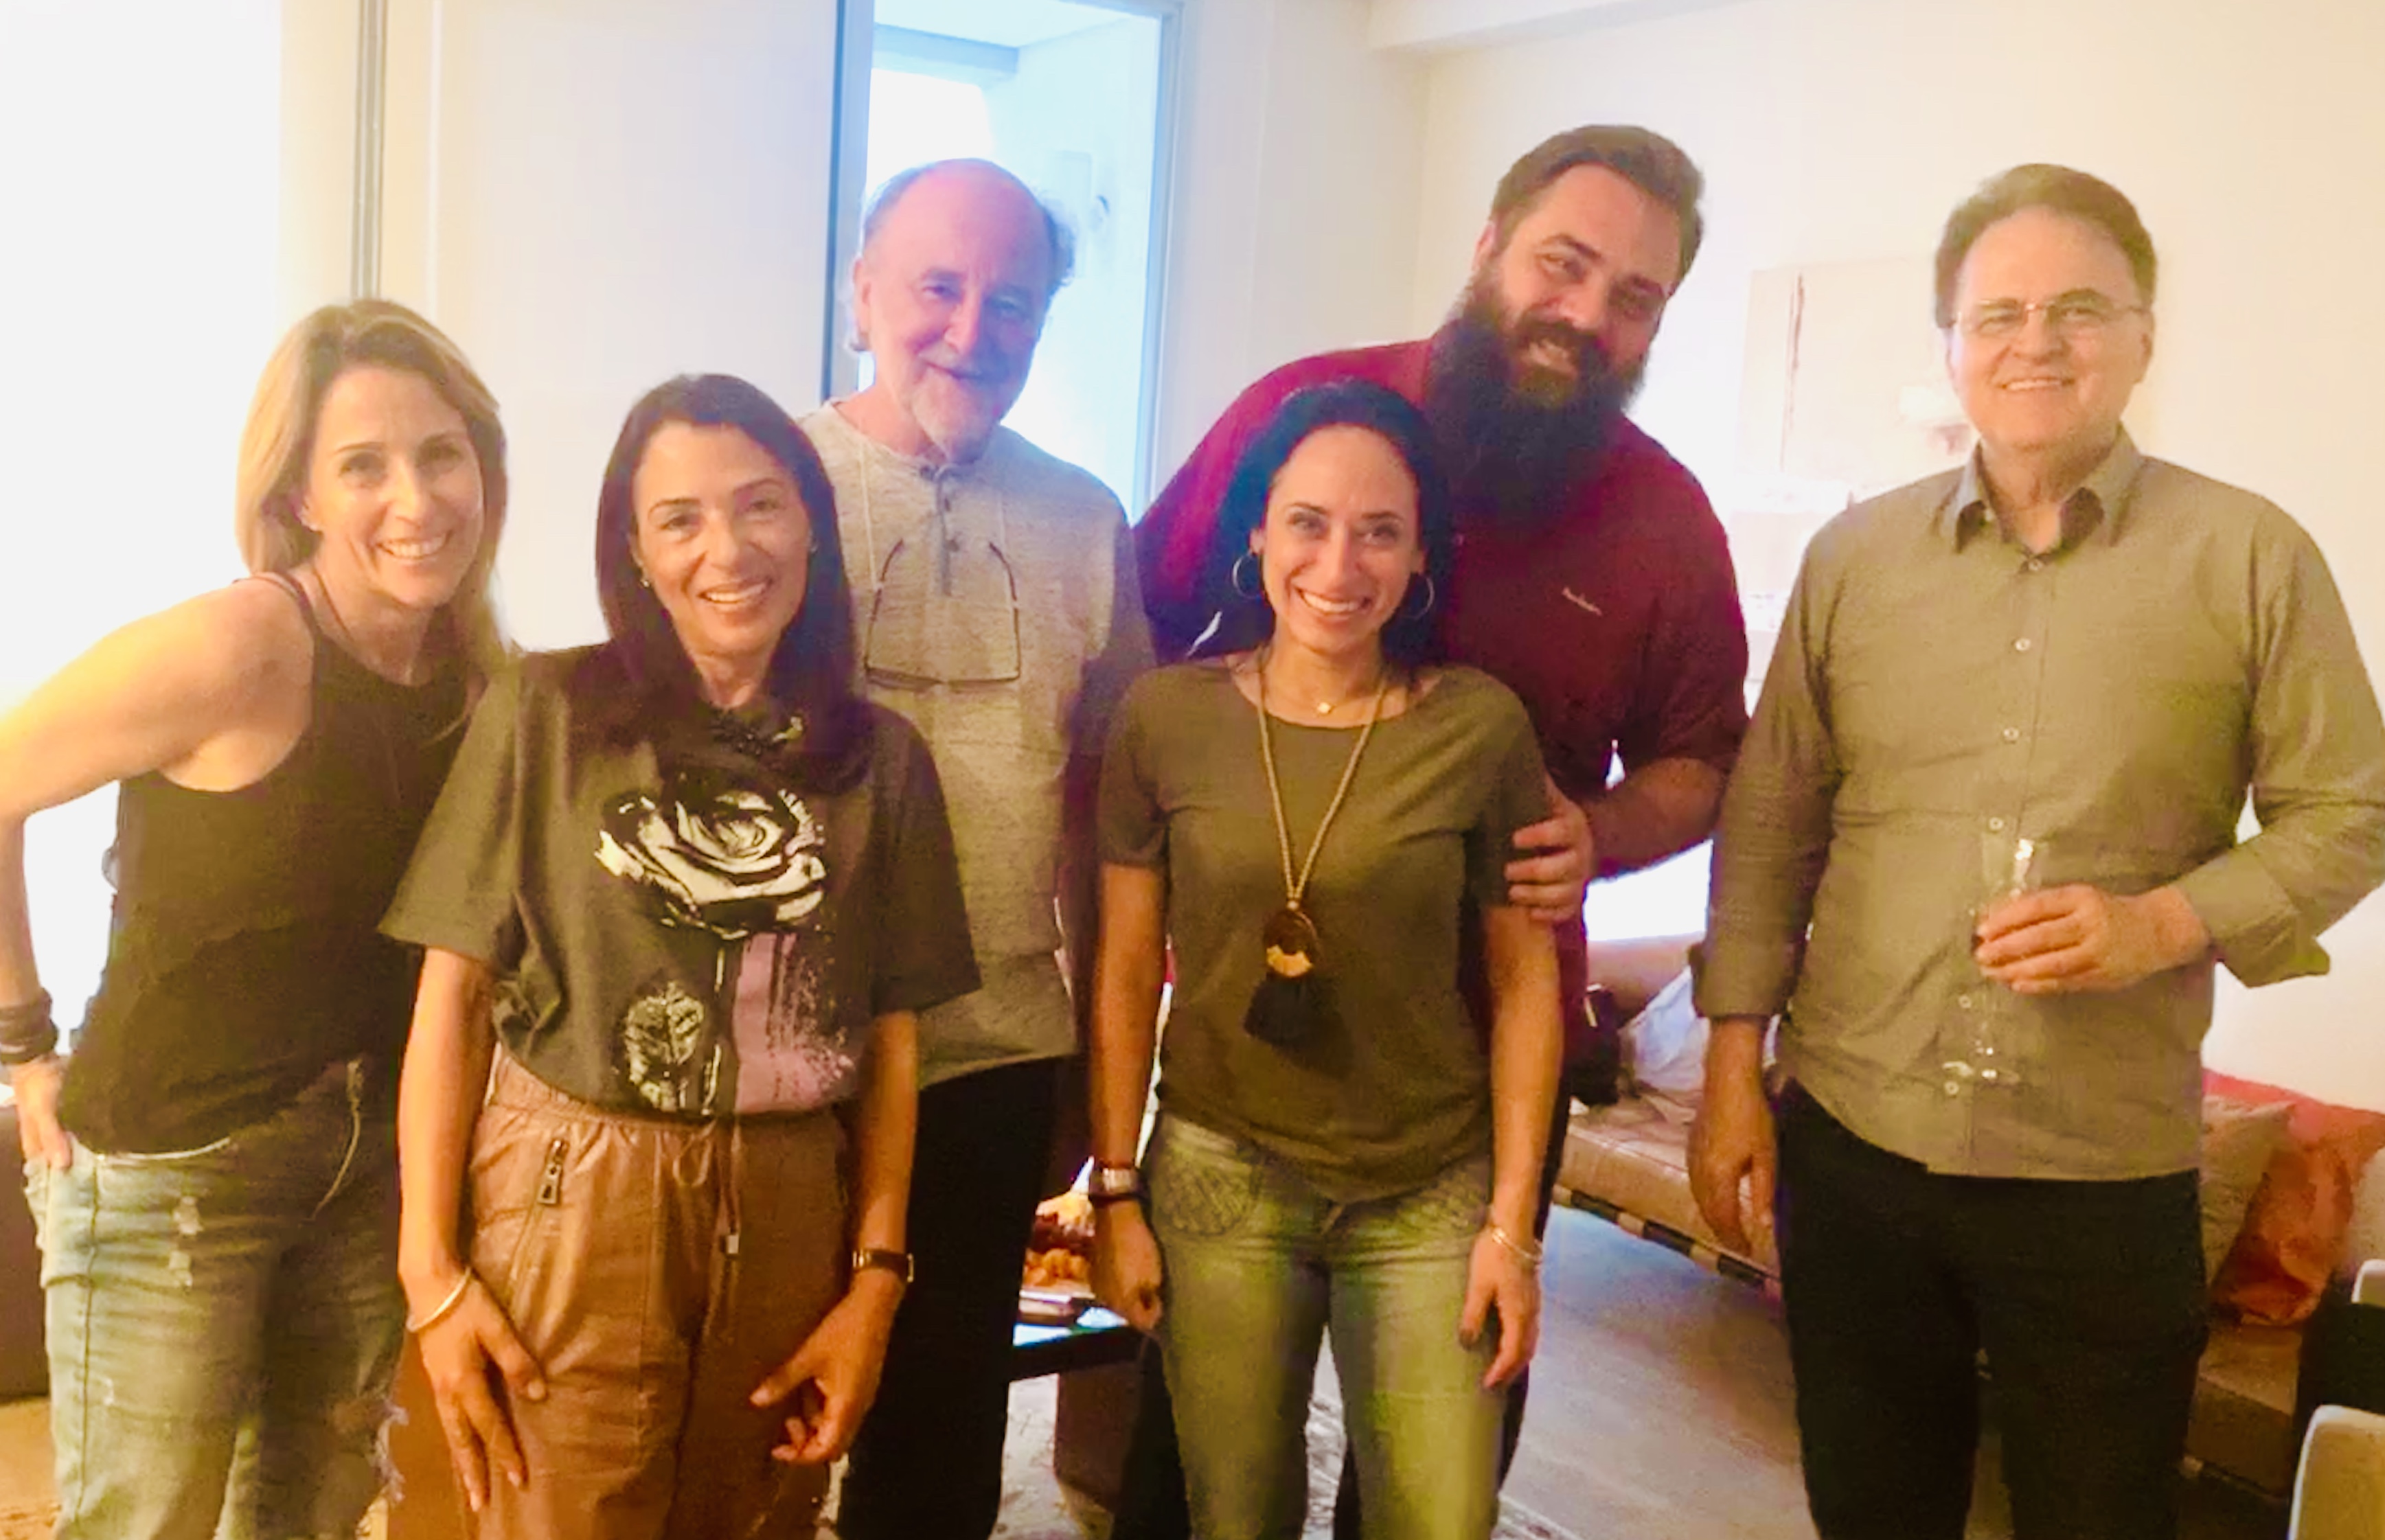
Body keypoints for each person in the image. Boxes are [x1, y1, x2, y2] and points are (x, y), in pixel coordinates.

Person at [1690, 164, 2385, 1540]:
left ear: (2141, 337)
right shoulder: (1853, 561)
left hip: (2100, 1173)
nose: (2037, 343)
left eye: (2079, 309)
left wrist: (2163, 923)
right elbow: (1771, 825)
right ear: (1950, 345)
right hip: (1854, 1143)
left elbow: (2351, 810)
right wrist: (1728, 1072)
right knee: (1870, 1513)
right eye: (1997, 314)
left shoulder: (2250, 557)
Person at [1125, 124, 1747, 1535]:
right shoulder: (1296, 414)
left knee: (1431, 1478)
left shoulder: (1663, 521)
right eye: (1561, 264)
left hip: (1480, 1082)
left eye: (1633, 297)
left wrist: (1598, 832)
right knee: (1198, 1476)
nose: (1583, 315)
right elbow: (1138, 634)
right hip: (1240, 1070)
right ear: (1486, 248)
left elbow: (1706, 757)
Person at [385, 374, 977, 1538]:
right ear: (637, 552)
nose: (728, 550)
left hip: (793, 1205)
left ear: (811, 523)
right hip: (570, 1197)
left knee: (758, 1515)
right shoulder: (546, 712)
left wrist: (875, 1281)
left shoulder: (883, 761)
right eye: (680, 519)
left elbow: (893, 1040)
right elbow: (450, 999)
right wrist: (431, 1276)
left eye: (760, 506)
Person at [0, 298, 507, 1539]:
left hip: (368, 1172)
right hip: (175, 1169)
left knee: (311, 1518)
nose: (416, 499)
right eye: (363, 465)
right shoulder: (236, 645)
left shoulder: (478, 680)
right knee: (147, 1524)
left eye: (441, 454)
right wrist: (23, 1044)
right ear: (300, 496)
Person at [1090, 380, 1561, 1540]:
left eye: (1379, 532)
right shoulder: (1163, 717)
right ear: (1257, 530)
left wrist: (1511, 1229)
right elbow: (1122, 970)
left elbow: (1523, 985)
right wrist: (1114, 1190)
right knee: (1235, 1517)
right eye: (1307, 523)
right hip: (1219, 1174)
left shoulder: (1478, 725)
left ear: (1420, 556)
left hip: (1427, 1185)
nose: (1339, 566)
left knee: (1439, 1518)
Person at [797, 157, 1153, 1540]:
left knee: (942, 1425)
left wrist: (1097, 1086)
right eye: (936, 287)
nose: (970, 329)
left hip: (995, 1046)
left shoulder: (1088, 523)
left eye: (1011, 303)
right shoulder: (772, 485)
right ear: (862, 295)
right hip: (785, 1048)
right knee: (751, 1405)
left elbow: (1105, 827)